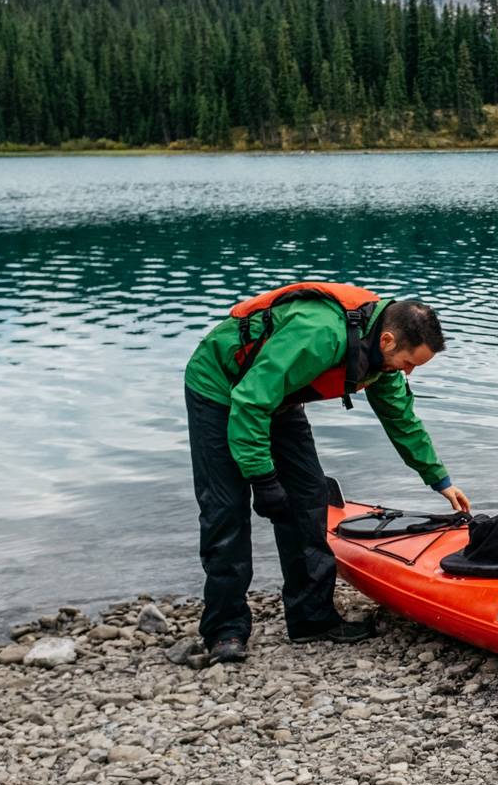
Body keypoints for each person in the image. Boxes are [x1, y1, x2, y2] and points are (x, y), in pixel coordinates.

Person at [184, 282, 469, 665]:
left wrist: (440, 480)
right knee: (226, 511)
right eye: (409, 363)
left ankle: (311, 619)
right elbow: (251, 400)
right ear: (387, 340)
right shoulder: (318, 335)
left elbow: (402, 420)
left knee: (309, 499)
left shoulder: (380, 359)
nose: (409, 372)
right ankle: (225, 630)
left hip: (280, 398)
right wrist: (263, 479)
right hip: (221, 391)